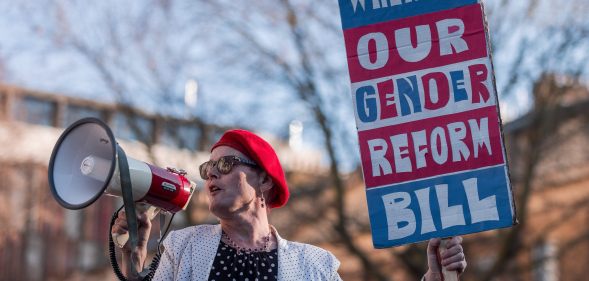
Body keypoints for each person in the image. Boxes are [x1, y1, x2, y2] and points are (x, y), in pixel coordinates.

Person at [112, 129, 467, 281]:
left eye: (225, 165)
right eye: (208, 169)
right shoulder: (182, 246)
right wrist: (134, 256)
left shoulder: (316, 266)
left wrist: (433, 279)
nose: (211, 176)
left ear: (264, 180)